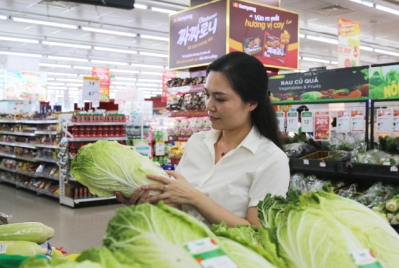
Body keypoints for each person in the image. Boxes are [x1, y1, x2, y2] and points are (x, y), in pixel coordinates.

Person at [115, 52, 290, 227]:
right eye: (207, 95)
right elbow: (180, 209)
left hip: (228, 254)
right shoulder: (196, 143)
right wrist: (149, 203)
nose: (208, 105)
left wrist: (196, 198)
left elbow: (258, 232)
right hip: (183, 249)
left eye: (220, 99)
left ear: (251, 103)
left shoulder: (271, 160)